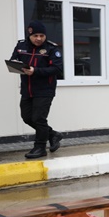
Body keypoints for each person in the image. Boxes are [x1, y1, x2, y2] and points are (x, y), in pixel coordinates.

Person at [10, 21, 64, 159]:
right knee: (27, 117)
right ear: (30, 35)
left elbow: (57, 69)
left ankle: (40, 147)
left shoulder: (52, 49)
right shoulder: (21, 46)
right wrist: (16, 66)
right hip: (27, 89)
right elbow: (14, 61)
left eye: (41, 35)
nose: (39, 38)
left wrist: (35, 71)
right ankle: (53, 134)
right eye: (35, 35)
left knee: (38, 118)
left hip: (45, 90)